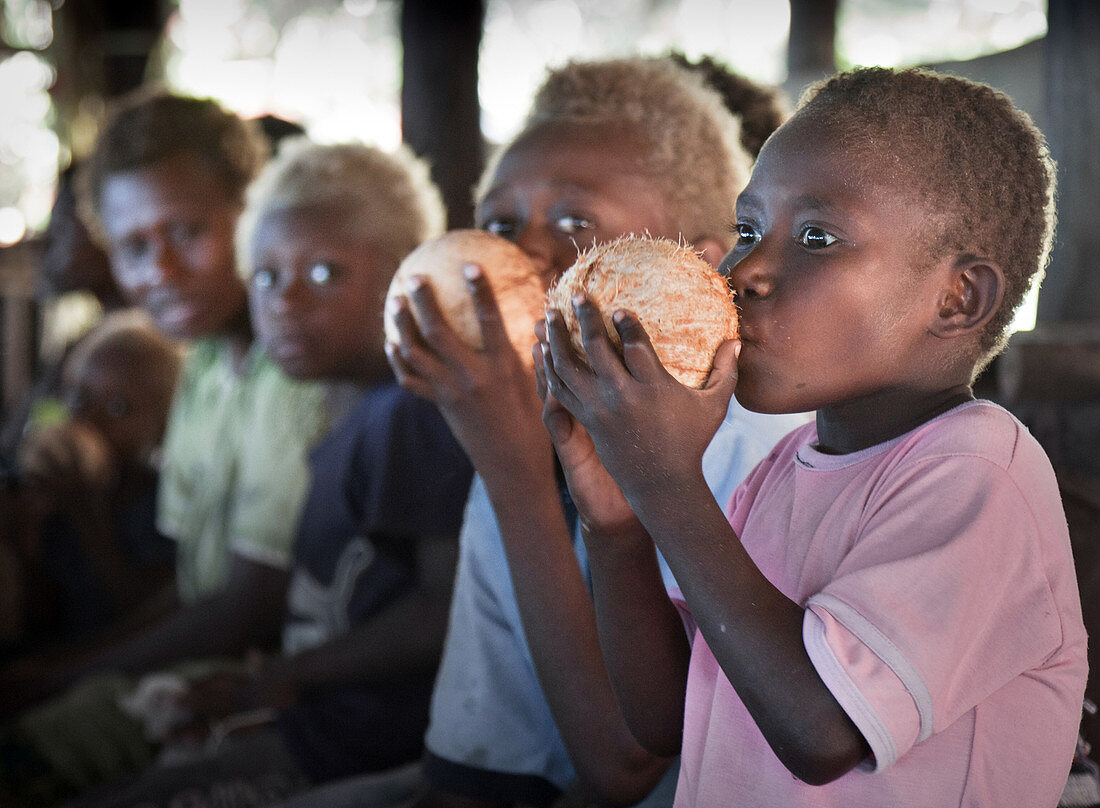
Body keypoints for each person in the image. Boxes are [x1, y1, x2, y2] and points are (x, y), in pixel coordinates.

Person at [536, 66, 1088, 806]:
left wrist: (666, 484)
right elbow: (670, 719)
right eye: (749, 229)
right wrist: (619, 525)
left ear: (958, 298)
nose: (747, 269)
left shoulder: (979, 473)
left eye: (817, 237)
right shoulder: (784, 469)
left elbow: (821, 730)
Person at [381, 57, 808, 808]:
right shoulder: (518, 434)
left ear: (696, 270)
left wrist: (514, 476)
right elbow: (480, 768)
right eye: (500, 224)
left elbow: (625, 764)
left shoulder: (756, 454)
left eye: (574, 224)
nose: (523, 257)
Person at [64, 137, 476, 808]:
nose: (283, 300)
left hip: (368, 744)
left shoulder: (410, 414)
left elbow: (444, 607)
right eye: (265, 275)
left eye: (323, 275)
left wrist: (289, 676)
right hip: (316, 719)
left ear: (405, 275)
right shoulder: (337, 416)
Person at [0, 91, 329, 806]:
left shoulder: (292, 368)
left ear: (252, 212)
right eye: (134, 247)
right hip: (193, 666)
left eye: (187, 231)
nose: (162, 271)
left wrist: (59, 677)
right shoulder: (206, 362)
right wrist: (62, 665)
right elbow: (190, 586)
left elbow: (244, 609)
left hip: (264, 687)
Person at [2, 311, 179, 653]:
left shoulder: (161, 505)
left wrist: (84, 512)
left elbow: (144, 613)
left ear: (162, 425)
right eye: (79, 398)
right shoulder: (53, 485)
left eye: (117, 408)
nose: (88, 419)